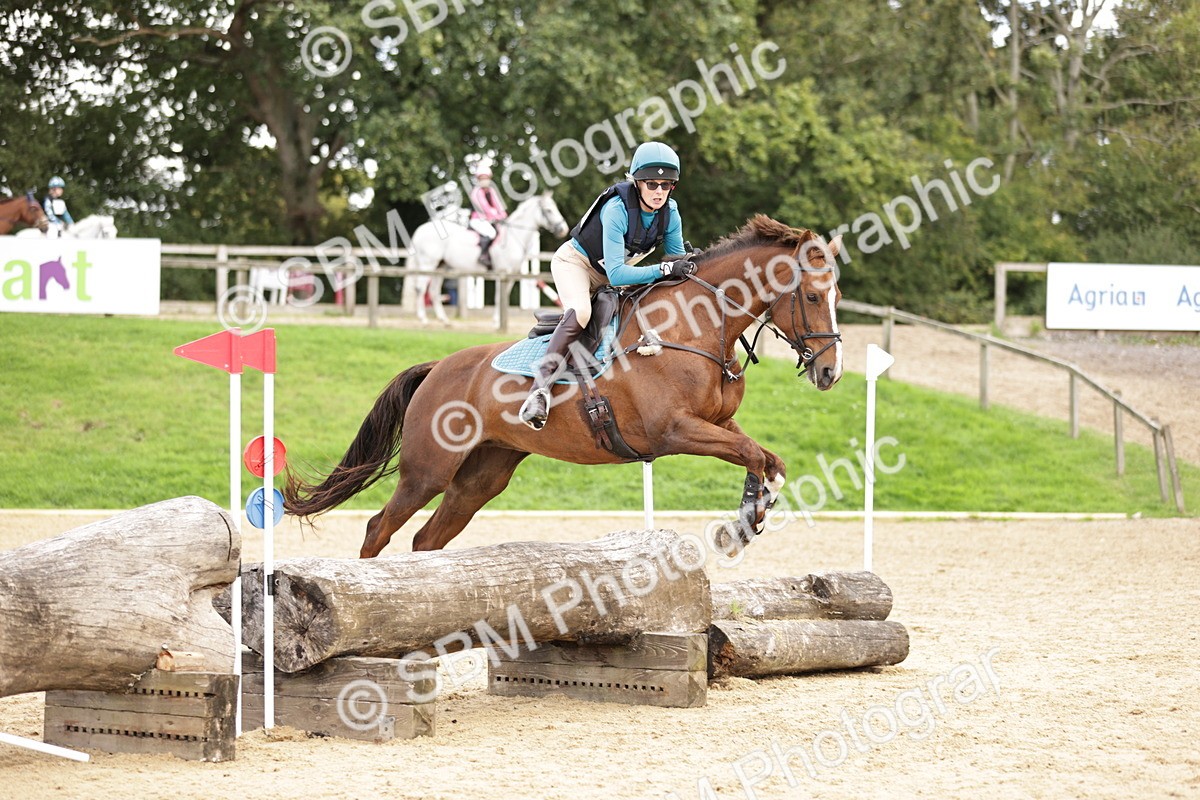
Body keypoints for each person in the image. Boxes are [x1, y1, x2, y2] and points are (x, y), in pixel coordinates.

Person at [518, 140, 696, 430]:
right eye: (651, 184)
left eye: (666, 185)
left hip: (613, 274)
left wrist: (690, 264)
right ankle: (539, 391)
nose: (659, 192)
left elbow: (676, 261)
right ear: (637, 182)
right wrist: (665, 268)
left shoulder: (670, 213)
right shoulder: (617, 209)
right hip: (576, 264)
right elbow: (617, 275)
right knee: (582, 313)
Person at [468, 161, 507, 268]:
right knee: (491, 233)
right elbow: (485, 208)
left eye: (486, 178)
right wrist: (496, 216)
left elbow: (498, 204)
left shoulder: (491, 191)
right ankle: (483, 255)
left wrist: (503, 215)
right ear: (478, 179)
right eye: (482, 178)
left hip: (489, 219)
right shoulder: (476, 192)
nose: (485, 181)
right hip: (478, 219)